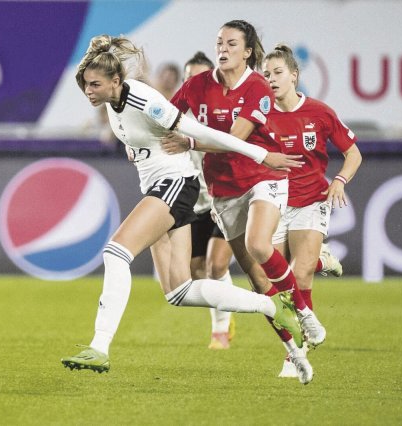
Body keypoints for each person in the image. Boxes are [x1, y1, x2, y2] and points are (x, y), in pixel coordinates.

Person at [61, 34, 306, 376]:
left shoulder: (143, 98)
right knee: (179, 291)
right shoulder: (110, 105)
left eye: (94, 84)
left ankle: (99, 346)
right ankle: (274, 305)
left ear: (116, 81)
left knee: (116, 252)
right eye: (85, 84)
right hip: (162, 185)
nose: (88, 90)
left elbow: (206, 133)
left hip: (176, 184)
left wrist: (263, 155)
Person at [162, 20, 325, 384]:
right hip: (223, 189)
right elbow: (166, 120)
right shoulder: (196, 85)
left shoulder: (258, 88)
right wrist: (141, 137)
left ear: (248, 51)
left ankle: (304, 311)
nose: (222, 48)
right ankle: (294, 351)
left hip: (263, 177)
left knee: (257, 244)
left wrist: (188, 143)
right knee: (256, 279)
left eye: (231, 43)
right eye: (219, 41)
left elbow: (236, 139)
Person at [262, 44, 362, 378]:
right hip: (273, 202)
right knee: (269, 284)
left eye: (277, 73)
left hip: (311, 200)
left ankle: (297, 354)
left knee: (299, 275)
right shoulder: (258, 116)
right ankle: (321, 258)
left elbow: (353, 153)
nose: (271, 80)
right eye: (266, 75)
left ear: (294, 75)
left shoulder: (319, 112)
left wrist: (340, 180)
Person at [182, 51, 237, 350]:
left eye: (203, 77)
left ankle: (220, 330)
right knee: (195, 271)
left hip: (225, 199)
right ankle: (225, 310)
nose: (197, 83)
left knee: (216, 267)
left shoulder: (225, 114)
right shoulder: (174, 117)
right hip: (195, 204)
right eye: (191, 77)